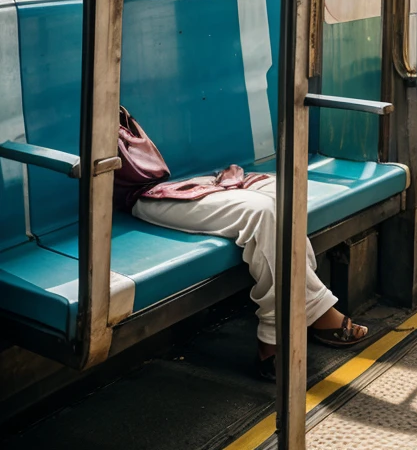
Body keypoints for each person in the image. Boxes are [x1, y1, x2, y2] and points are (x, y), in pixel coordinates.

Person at [118, 141, 372, 381]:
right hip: (151, 191)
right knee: (264, 213)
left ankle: (302, 314)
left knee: (287, 198)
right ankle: (281, 331)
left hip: (206, 177)